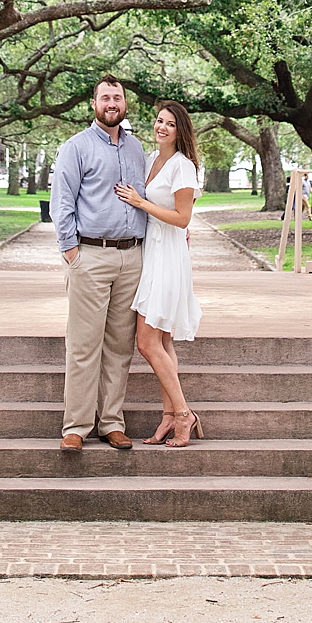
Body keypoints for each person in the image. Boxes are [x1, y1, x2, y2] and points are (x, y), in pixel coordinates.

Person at [50, 74, 148, 451]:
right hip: (89, 255)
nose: (112, 103)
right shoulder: (75, 147)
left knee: (120, 346)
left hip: (131, 258)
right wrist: (71, 251)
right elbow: (62, 203)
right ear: (94, 104)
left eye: (117, 97)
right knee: (83, 344)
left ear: (125, 104)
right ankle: (75, 426)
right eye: (105, 97)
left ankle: (111, 423)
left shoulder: (137, 148)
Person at [115, 99, 204, 448]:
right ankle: (169, 417)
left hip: (167, 256)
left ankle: (183, 414)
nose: (161, 127)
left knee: (146, 341)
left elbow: (183, 218)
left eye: (169, 123)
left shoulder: (182, 167)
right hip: (150, 250)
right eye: (158, 121)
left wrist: (141, 203)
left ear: (180, 130)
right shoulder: (152, 160)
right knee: (163, 341)